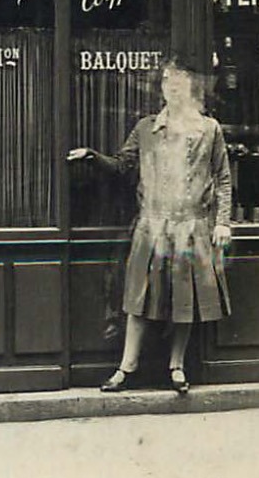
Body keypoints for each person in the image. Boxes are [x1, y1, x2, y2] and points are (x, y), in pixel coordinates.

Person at [67, 64, 232, 394]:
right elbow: (122, 165)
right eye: (168, 83)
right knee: (139, 300)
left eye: (181, 83)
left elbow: (223, 179)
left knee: (186, 302)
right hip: (152, 225)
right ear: (161, 90)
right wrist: (92, 157)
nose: (174, 89)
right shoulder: (146, 129)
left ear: (191, 90)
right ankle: (126, 368)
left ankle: (177, 367)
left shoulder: (209, 130)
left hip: (192, 227)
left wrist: (223, 222)